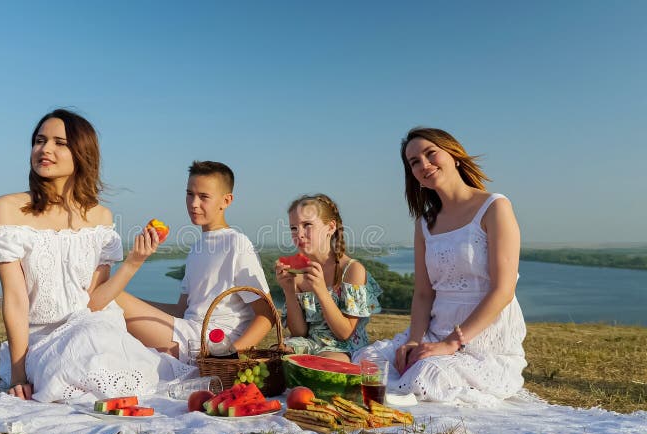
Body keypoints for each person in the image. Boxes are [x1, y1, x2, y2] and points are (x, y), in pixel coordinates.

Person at [0, 109, 192, 402]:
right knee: (74, 373)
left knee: (119, 368)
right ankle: (5, 354)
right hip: (44, 337)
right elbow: (15, 299)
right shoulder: (7, 209)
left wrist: (133, 263)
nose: (45, 149)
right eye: (40, 141)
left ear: (82, 153)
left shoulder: (100, 217)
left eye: (59, 143)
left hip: (94, 327)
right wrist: (18, 375)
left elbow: (94, 303)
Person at [353, 127, 526, 405]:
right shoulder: (425, 224)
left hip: (482, 339)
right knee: (367, 361)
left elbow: (503, 290)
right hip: (435, 331)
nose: (424, 165)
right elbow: (423, 294)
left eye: (430, 153)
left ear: (454, 155)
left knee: (426, 375)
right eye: (414, 162)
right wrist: (414, 340)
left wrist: (451, 344)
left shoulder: (495, 207)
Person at [111, 161, 275, 364]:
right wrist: (134, 303)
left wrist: (228, 354)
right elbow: (181, 311)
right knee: (112, 301)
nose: (194, 203)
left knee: (110, 296)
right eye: (190, 194)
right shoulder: (197, 247)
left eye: (204, 197)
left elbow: (267, 315)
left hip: (212, 344)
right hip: (188, 336)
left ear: (226, 200)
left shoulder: (236, 243)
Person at [275, 194, 382, 362]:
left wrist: (321, 290)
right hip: (310, 345)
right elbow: (299, 333)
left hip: (344, 349)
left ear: (331, 227)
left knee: (324, 363)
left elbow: (345, 333)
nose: (299, 234)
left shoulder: (352, 270)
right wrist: (289, 290)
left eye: (307, 225)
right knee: (274, 355)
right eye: (293, 228)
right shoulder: (297, 272)